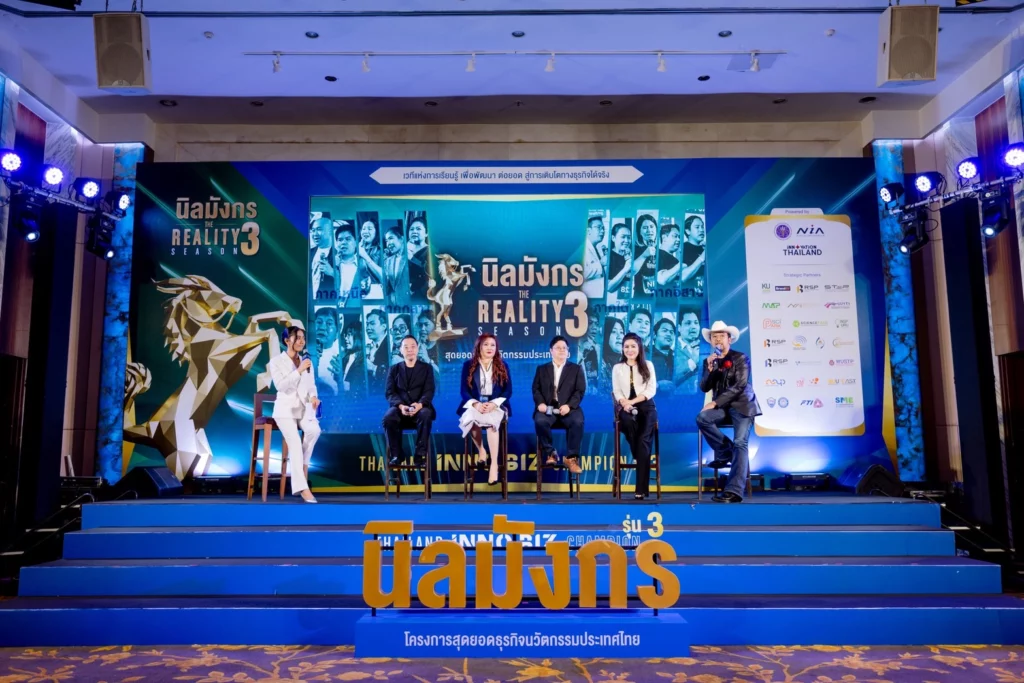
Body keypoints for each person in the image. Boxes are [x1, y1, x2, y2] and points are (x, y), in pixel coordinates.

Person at [696, 320, 762, 503]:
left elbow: (740, 385)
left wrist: (715, 402)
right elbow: (704, 387)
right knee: (702, 418)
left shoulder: (740, 358)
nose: (717, 339)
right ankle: (726, 450)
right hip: (724, 408)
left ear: (729, 339)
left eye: (721, 336)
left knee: (740, 442)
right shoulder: (710, 361)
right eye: (714, 337)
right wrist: (710, 370)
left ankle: (734, 491)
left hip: (742, 405)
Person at [268, 326, 321, 503]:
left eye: (303, 338)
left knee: (314, 430)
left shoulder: (306, 361)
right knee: (296, 444)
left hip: (303, 409)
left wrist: (313, 397)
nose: (301, 341)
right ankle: (302, 488)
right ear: (286, 341)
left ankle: (302, 467)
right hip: (285, 411)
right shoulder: (276, 362)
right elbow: (281, 386)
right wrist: (298, 371)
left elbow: (311, 385)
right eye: (297, 337)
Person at [458, 333, 513, 485]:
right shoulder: (468, 365)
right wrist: (475, 404)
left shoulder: (503, 365)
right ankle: (482, 450)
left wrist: (494, 404)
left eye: (493, 345)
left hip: (496, 405)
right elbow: (464, 391)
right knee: (470, 419)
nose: (490, 348)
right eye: (486, 344)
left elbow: (508, 391)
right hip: (476, 403)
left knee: (490, 424)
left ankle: (494, 464)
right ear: (479, 347)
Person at [613, 332, 658, 500]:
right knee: (627, 424)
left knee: (643, 441)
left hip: (646, 406)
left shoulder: (648, 365)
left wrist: (633, 401)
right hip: (625, 407)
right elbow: (617, 390)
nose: (629, 350)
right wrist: (624, 402)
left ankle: (640, 489)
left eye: (633, 346)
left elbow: (651, 390)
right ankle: (640, 455)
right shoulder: (617, 368)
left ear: (639, 348)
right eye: (626, 347)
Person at [532, 336, 586, 474]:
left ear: (568, 351)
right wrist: (540, 403)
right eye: (558, 348)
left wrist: (569, 405)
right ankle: (551, 453)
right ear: (551, 351)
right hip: (548, 408)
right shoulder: (542, 369)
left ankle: (571, 458)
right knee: (540, 421)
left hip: (569, 409)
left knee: (578, 421)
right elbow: (536, 389)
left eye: (564, 348)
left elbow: (580, 391)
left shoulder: (576, 369)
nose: (562, 350)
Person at [382, 335, 436, 466]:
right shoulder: (394, 369)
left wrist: (420, 405)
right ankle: (396, 455)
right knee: (388, 418)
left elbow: (429, 391)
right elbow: (390, 392)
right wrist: (401, 406)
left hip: (420, 408)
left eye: (413, 346)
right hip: (400, 409)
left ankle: (420, 456)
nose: (410, 349)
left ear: (417, 348)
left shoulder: (427, 368)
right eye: (406, 347)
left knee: (425, 414)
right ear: (400, 350)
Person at [334, 222, 365, 308]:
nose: (343, 242)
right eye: (340, 240)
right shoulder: (332, 265)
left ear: (356, 242)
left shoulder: (364, 264)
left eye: (348, 239)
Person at [313, 307, 341, 394]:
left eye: (329, 323)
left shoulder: (341, 358)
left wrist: (340, 380)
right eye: (319, 322)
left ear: (337, 333)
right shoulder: (301, 353)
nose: (322, 327)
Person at [674, 306, 702, 393]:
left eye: (696, 323)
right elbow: (669, 378)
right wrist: (693, 361)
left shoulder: (704, 346)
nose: (693, 327)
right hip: (680, 397)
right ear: (679, 328)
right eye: (688, 323)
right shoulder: (672, 347)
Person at [309, 217, 336, 301]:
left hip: (326, 301)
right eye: (313, 230)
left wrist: (332, 273)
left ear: (330, 231)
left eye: (319, 229)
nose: (315, 234)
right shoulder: (308, 253)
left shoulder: (339, 255)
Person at [336, 320, 366, 395]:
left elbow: (358, 387)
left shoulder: (364, 360)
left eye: (349, 335)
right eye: (345, 335)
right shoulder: (345, 358)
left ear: (358, 336)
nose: (345, 338)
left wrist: (340, 381)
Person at [632, 214, 658, 298]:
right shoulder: (634, 249)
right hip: (640, 296)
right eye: (645, 228)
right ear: (639, 231)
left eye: (651, 227)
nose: (649, 230)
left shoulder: (661, 249)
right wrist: (644, 255)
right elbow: (631, 271)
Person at [607, 222, 634, 301]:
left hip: (629, 300)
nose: (626, 240)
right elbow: (608, 287)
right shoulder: (608, 257)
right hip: (613, 302)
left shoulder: (630, 255)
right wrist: (625, 269)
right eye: (623, 237)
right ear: (613, 238)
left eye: (629, 237)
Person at [358, 216, 384, 297]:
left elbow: (383, 277)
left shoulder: (381, 251)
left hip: (374, 292)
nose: (365, 231)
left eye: (369, 229)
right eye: (363, 229)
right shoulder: (356, 249)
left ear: (376, 232)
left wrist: (364, 255)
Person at [384, 225, 410, 305]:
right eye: (386, 241)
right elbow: (388, 287)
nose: (388, 243)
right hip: (395, 305)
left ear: (401, 239)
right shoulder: (388, 261)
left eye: (391, 238)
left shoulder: (411, 257)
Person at [364, 308, 390, 393]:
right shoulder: (368, 348)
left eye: (372, 324)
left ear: (384, 326)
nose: (368, 328)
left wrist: (372, 368)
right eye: (367, 324)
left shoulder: (390, 346)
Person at [581, 214, 607, 298]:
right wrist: (601, 263)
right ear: (588, 231)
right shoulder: (582, 249)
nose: (602, 231)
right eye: (598, 227)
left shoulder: (599, 248)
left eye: (603, 228)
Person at [600, 316, 625, 393]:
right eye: (614, 332)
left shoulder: (628, 362)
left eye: (621, 332)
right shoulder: (597, 362)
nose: (619, 337)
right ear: (605, 335)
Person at [681, 215, 706, 293]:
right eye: (697, 227)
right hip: (690, 295)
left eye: (702, 227)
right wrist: (703, 256)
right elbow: (683, 277)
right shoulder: (682, 249)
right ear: (688, 231)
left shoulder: (705, 248)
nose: (701, 230)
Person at [650, 318, 676, 394]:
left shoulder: (676, 358)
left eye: (671, 332)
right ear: (654, 335)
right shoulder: (646, 355)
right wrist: (657, 385)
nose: (669, 334)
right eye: (665, 331)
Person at [407, 215, 430, 298]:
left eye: (418, 229)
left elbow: (429, 272)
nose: (414, 231)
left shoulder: (430, 251)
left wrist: (412, 258)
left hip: (420, 294)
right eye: (411, 229)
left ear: (426, 233)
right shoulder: (404, 249)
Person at [656, 223, 682, 288]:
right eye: (675, 236)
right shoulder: (655, 255)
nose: (678, 240)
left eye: (679, 237)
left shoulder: (676, 261)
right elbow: (661, 280)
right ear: (664, 238)